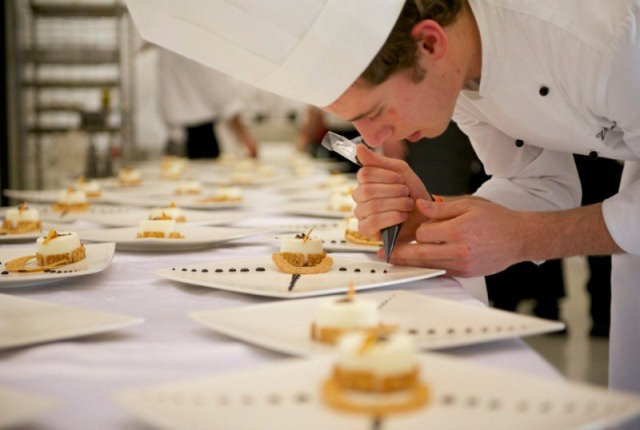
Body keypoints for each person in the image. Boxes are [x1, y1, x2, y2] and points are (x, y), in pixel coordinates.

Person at [126, 0, 640, 423]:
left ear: (430, 44)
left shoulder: (610, 34)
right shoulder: (458, 71)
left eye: (373, 114)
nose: (372, 141)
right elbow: (541, 185)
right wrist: (431, 213)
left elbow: (537, 223)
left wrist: (528, 239)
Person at [157, 48, 258, 159]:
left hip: (175, 136)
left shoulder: (166, 42)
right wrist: (244, 137)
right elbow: (221, 95)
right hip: (199, 137)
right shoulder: (198, 44)